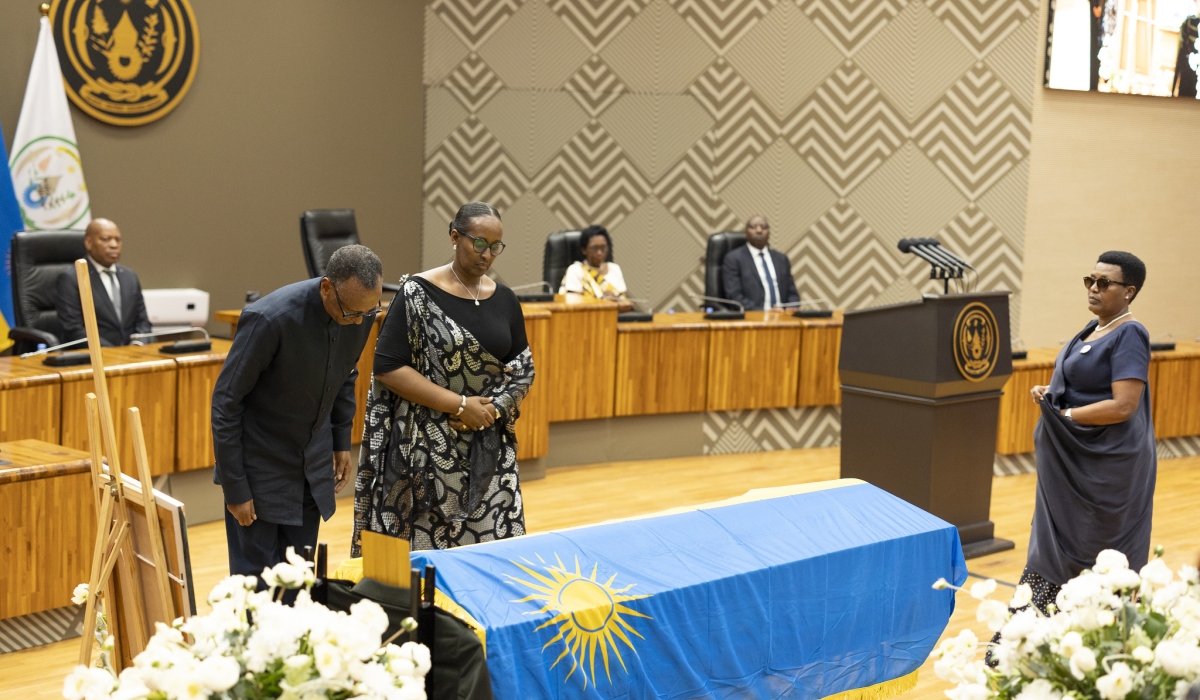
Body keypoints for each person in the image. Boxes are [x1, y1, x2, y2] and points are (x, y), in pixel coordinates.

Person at [353, 201, 534, 553]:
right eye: (478, 243)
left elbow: (523, 369)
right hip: (425, 449)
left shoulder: (506, 300)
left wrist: (490, 411)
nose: (487, 254)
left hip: (487, 447)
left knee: (491, 553)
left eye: (495, 247)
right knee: (426, 556)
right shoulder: (417, 293)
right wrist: (461, 405)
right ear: (455, 236)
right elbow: (387, 367)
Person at [212, 245, 383, 580]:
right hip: (260, 470)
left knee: (302, 581)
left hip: (312, 470)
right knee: (258, 589)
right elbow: (226, 403)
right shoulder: (270, 319)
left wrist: (340, 441)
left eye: (369, 311)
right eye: (351, 312)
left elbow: (345, 374)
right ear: (326, 288)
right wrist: (235, 487)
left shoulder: (360, 311)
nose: (359, 321)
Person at [1022, 251, 1156, 613]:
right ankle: (1036, 641)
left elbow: (1123, 406)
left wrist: (1065, 413)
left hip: (1104, 470)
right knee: (1052, 547)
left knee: (1095, 553)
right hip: (1071, 466)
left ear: (1128, 292)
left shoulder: (1130, 333)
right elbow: (1085, 387)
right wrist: (1051, 394)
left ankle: (1089, 647)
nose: (1093, 289)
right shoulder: (1092, 330)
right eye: (1089, 281)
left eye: (1103, 283)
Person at [56, 218, 152, 346]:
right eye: (106, 239)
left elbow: (143, 322)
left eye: (117, 239)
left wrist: (138, 345)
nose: (114, 245)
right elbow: (73, 330)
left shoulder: (130, 276)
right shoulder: (72, 278)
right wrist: (114, 354)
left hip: (133, 355)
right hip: (94, 357)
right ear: (89, 243)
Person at [720, 215, 800, 311]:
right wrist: (764, 312)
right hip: (753, 319)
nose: (759, 230)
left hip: (783, 318)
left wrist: (792, 307)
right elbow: (734, 295)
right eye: (753, 227)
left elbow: (792, 293)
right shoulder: (734, 259)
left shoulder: (781, 259)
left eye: (763, 227)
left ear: (769, 232)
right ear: (746, 232)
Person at [558, 225, 628, 301]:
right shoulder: (576, 270)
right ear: (584, 250)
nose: (599, 253)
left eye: (603, 247)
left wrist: (614, 297)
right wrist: (601, 298)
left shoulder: (614, 268)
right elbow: (574, 302)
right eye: (594, 248)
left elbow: (623, 300)